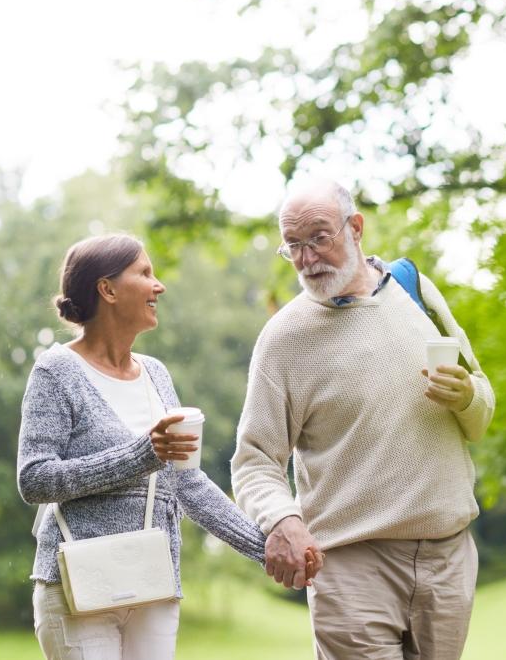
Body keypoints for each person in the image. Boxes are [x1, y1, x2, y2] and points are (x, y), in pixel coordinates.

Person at [16, 234, 315, 660]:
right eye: (145, 273)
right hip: (77, 587)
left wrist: (263, 547)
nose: (160, 286)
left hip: (153, 581)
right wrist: (142, 455)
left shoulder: (155, 374)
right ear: (108, 289)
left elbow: (187, 485)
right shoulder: (56, 371)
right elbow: (35, 479)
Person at [231, 179, 496, 659]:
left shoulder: (415, 289)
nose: (307, 258)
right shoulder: (284, 339)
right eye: (293, 245)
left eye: (319, 237)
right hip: (352, 565)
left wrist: (467, 397)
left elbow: (480, 410)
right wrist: (282, 518)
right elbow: (254, 460)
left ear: (355, 228)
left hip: (449, 557)